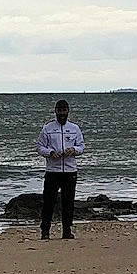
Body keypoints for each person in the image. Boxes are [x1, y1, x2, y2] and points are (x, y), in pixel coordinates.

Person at [34, 99, 85, 239]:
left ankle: (67, 231)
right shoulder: (47, 128)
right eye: (59, 110)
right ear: (55, 111)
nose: (62, 113)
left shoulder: (75, 128)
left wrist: (73, 150)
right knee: (48, 203)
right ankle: (45, 232)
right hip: (52, 171)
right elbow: (40, 147)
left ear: (68, 111)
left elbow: (81, 147)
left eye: (64, 110)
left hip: (70, 171)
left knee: (68, 203)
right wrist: (50, 153)